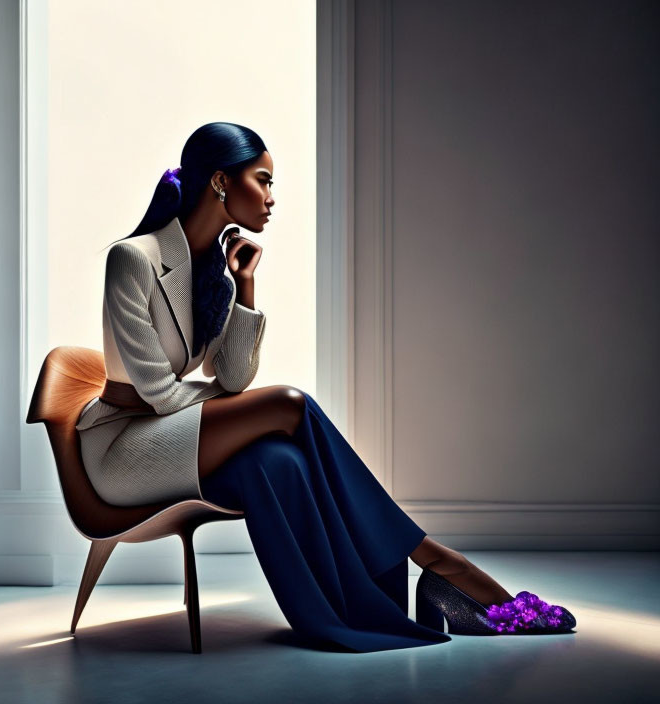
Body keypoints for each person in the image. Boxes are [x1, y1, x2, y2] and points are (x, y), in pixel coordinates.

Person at [75, 122, 576, 652]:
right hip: (123, 451)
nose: (271, 199)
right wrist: (251, 412)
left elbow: (232, 378)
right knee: (289, 406)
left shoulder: (212, 269)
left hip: (175, 439)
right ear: (221, 182)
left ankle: (353, 607)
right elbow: (158, 393)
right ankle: (434, 558)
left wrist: (243, 287)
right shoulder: (133, 259)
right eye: (263, 181)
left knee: (277, 461)